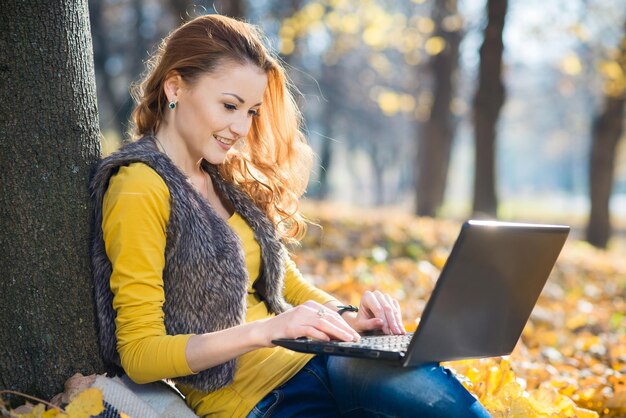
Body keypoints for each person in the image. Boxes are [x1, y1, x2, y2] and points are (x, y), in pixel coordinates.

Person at [90, 13, 491, 418]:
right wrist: (266, 331)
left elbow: (290, 288)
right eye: (230, 105)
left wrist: (349, 318)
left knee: (454, 409)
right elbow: (139, 354)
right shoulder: (140, 186)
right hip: (261, 402)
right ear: (175, 86)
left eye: (251, 112)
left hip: (327, 362)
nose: (241, 127)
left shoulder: (222, 177)